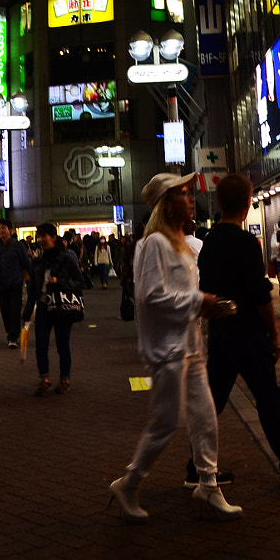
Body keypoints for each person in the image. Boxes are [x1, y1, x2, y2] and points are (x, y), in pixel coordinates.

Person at [108, 173, 239, 521]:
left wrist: (203, 304)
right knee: (165, 422)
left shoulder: (183, 242)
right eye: (183, 193)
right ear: (167, 203)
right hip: (168, 349)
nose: (191, 197)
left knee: (205, 416)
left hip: (191, 345)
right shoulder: (155, 244)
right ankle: (129, 481)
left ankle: (208, 484)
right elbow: (150, 296)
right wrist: (200, 301)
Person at [196, 173, 280, 488]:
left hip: (221, 334)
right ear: (247, 203)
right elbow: (259, 294)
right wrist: (274, 334)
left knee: (212, 402)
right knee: (269, 399)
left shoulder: (210, 241)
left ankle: (196, 467)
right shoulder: (245, 242)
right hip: (248, 334)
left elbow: (204, 286)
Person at [25, 222, 85, 396]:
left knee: (62, 345)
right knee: (40, 345)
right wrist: (26, 313)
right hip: (43, 307)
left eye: (44, 236)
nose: (41, 239)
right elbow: (34, 291)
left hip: (62, 308)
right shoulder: (37, 262)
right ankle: (44, 379)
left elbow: (81, 283)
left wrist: (59, 282)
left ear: (53, 238)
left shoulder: (67, 258)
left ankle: (64, 379)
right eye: (39, 236)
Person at [0, 224, 31, 340]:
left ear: (10, 230)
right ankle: (10, 331)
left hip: (15, 283)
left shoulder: (17, 246)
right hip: (0, 284)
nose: (1, 231)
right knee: (5, 311)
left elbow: (25, 262)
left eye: (3, 228)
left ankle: (13, 336)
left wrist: (33, 277)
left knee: (15, 309)